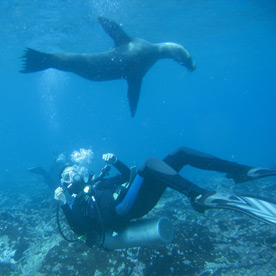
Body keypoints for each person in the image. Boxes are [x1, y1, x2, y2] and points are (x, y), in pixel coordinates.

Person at [54, 147, 276, 249]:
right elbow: (80, 230)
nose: (73, 173)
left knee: (180, 153)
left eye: (74, 169)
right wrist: (64, 202)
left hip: (134, 199)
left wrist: (115, 161)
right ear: (64, 183)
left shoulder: (98, 183)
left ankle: (241, 171)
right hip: (122, 211)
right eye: (67, 174)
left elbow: (124, 176)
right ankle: (199, 195)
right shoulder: (75, 202)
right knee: (150, 163)